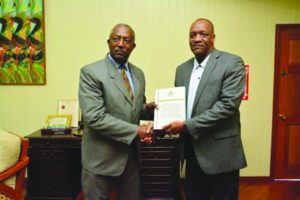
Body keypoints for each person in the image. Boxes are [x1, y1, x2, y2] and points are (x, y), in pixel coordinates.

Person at [162, 18, 247, 200]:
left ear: (213, 38)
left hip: (221, 153)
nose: (197, 39)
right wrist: (159, 109)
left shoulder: (232, 63)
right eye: (193, 35)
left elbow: (227, 106)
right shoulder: (182, 69)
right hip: (192, 151)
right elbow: (179, 106)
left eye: (203, 34)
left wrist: (186, 125)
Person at [79, 23, 154, 200]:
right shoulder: (91, 72)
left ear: (133, 46)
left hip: (130, 159)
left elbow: (134, 109)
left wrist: (148, 110)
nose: (121, 44)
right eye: (116, 39)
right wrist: (137, 131)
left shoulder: (138, 74)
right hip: (100, 160)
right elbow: (95, 117)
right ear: (108, 42)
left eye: (126, 40)